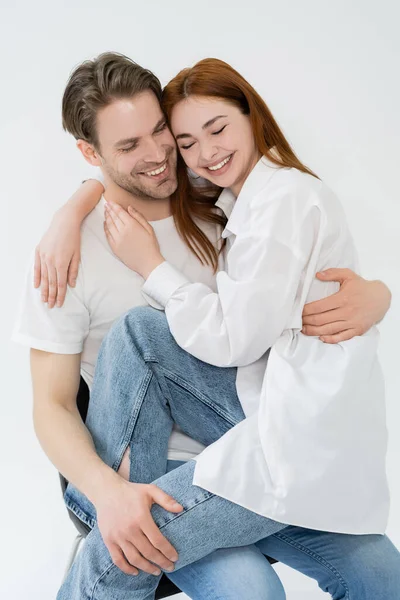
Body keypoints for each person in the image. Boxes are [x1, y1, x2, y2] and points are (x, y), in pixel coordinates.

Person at [35, 55, 399, 599]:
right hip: (144, 469)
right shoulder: (66, 256)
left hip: (253, 428)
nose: (163, 155)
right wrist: (109, 494)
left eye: (162, 132)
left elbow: (295, 268)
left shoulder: (218, 201)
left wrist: (379, 298)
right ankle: (114, 525)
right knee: (240, 586)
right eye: (130, 146)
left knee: (383, 576)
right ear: (91, 154)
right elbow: (51, 406)